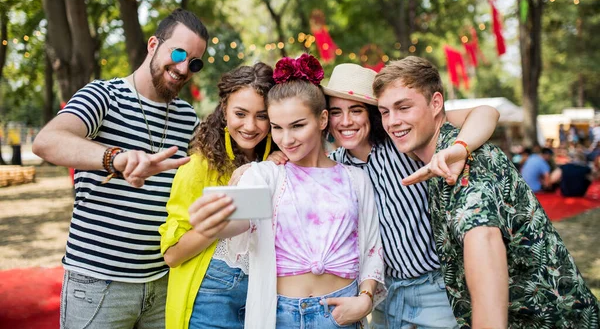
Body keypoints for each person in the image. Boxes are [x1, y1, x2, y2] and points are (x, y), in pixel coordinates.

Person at [373, 56, 600, 328]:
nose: (392, 122)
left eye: (403, 107)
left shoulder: (465, 167)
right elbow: (484, 111)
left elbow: (483, 237)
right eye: (385, 112)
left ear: (435, 103)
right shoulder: (448, 149)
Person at [32, 8, 208, 328]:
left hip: (161, 283)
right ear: (153, 44)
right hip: (98, 284)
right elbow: (47, 141)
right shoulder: (104, 96)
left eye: (194, 62)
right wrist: (117, 158)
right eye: (178, 53)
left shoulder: (187, 118)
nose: (184, 68)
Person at [189, 54, 385, 329]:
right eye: (277, 128)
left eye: (297, 125)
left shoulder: (355, 178)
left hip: (341, 313)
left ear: (322, 119)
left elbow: (372, 246)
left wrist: (365, 299)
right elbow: (239, 222)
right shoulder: (264, 174)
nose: (286, 139)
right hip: (280, 315)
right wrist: (213, 221)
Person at [318, 63, 500, 329]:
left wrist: (460, 148)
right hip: (384, 295)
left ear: (372, 114)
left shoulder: (404, 143)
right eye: (336, 112)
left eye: (356, 110)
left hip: (434, 288)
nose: (346, 121)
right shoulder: (332, 167)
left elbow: (486, 112)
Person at [159, 63, 275, 329]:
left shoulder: (278, 163)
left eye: (262, 116)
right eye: (241, 113)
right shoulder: (199, 166)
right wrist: (220, 225)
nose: (250, 126)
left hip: (264, 295)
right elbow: (172, 254)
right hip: (213, 297)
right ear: (224, 110)